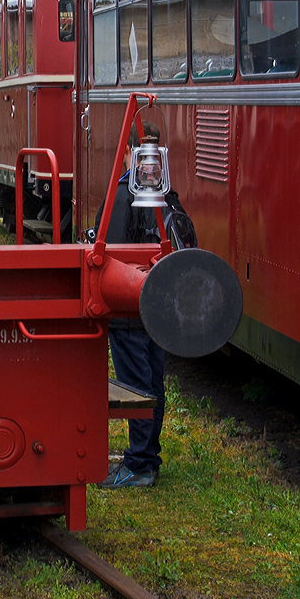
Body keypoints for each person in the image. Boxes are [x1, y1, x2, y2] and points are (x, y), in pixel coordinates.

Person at [93, 121, 193, 489]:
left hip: (129, 308)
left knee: (136, 385)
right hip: (161, 306)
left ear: (126, 151)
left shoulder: (123, 192)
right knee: (154, 382)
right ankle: (148, 455)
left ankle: (139, 464)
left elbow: (107, 248)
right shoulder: (166, 193)